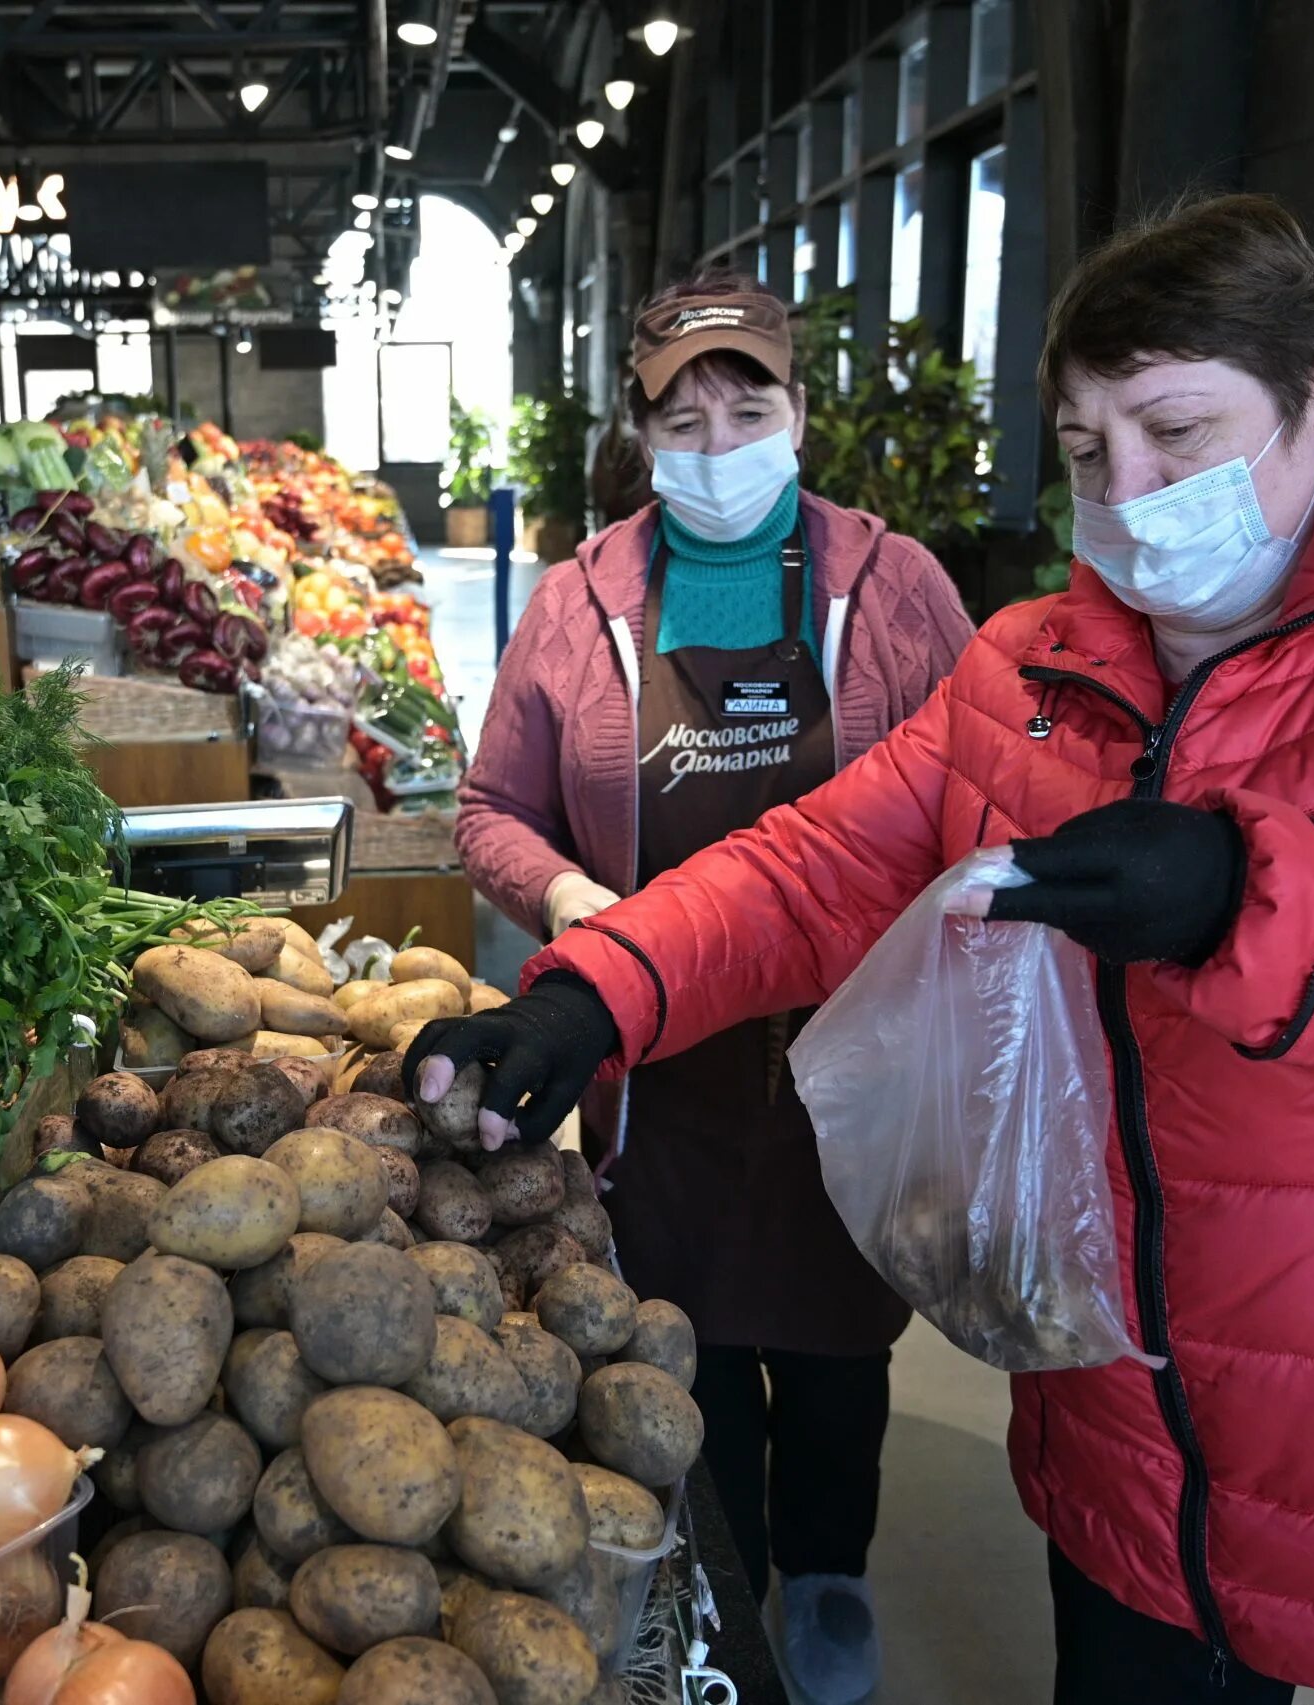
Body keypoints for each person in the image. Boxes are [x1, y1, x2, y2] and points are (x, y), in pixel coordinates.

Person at [415, 196, 1314, 1705]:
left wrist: (1274, 900)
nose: (1130, 492)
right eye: (1085, 447)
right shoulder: (1039, 665)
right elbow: (819, 866)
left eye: (1176, 432)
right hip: (1142, 1429)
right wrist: (596, 988)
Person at [455, 270, 976, 1702]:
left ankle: (829, 1570)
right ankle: (733, 1581)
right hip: (657, 1058)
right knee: (684, 1340)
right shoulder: (579, 603)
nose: (719, 432)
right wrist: (569, 897)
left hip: (851, 1045)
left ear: (798, 409)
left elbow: (984, 778)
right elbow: (488, 806)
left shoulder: (900, 583)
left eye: (748, 401)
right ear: (640, 431)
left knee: (837, 1342)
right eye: (683, 412)